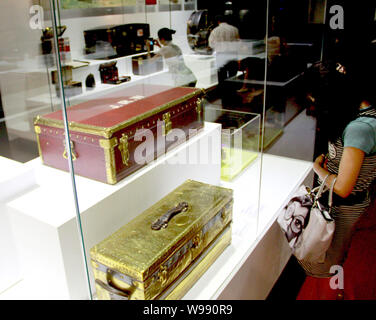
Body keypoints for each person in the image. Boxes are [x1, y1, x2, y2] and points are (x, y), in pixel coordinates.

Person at [297, 48, 376, 299]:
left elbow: (343, 187)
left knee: (331, 259)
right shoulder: (361, 114)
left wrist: (317, 168)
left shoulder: (360, 128)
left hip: (347, 205)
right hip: (347, 203)